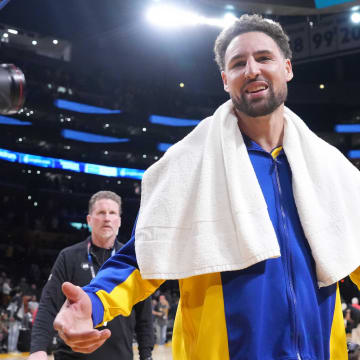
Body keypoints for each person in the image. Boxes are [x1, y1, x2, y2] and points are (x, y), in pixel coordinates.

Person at [53, 14, 360, 359]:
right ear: (225, 79)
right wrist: (93, 303)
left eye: (264, 57)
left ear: (287, 67)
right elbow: (142, 255)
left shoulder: (331, 168)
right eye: (238, 63)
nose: (252, 70)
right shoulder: (189, 163)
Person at [29, 191, 154, 360]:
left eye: (112, 213)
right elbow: (48, 304)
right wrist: (38, 349)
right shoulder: (68, 256)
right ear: (89, 220)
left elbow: (144, 316)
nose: (107, 218)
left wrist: (146, 356)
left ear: (120, 221)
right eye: (101, 213)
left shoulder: (133, 261)